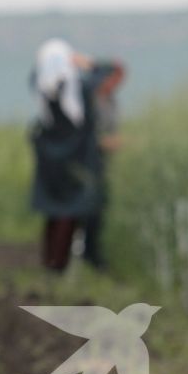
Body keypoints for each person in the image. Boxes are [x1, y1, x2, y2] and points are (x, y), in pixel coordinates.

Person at [28, 38, 100, 273]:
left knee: (53, 213)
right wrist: (88, 64)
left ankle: (50, 261)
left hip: (49, 160)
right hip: (74, 158)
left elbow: (37, 72)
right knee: (69, 212)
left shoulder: (41, 85)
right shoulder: (76, 86)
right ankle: (59, 265)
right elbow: (105, 74)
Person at [76, 58, 125, 271]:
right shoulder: (88, 99)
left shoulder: (111, 100)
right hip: (87, 159)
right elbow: (85, 134)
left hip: (103, 161)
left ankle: (92, 253)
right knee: (86, 208)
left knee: (98, 209)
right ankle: (85, 255)